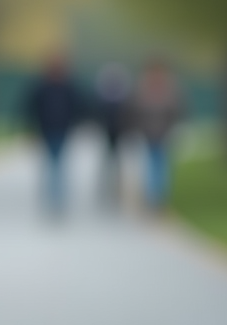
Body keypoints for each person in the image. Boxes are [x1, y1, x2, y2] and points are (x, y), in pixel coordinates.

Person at [21, 53, 86, 214]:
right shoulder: (42, 87)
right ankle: (53, 198)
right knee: (52, 165)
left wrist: (75, 127)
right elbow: (32, 109)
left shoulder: (68, 87)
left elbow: (77, 108)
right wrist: (31, 130)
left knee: (58, 166)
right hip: (46, 130)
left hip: (63, 131)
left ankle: (57, 199)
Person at [131, 58, 184, 212]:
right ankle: (153, 196)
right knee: (152, 164)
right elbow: (136, 110)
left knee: (161, 165)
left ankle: (159, 197)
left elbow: (176, 110)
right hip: (148, 132)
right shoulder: (144, 89)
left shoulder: (169, 89)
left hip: (163, 132)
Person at [93, 63, 132, 206]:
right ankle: (109, 188)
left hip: (116, 132)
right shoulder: (107, 97)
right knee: (110, 161)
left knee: (114, 162)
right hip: (109, 132)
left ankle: (114, 188)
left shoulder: (119, 98)